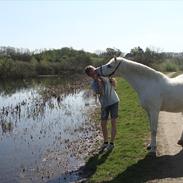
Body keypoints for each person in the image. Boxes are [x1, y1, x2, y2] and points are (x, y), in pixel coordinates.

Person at [85, 65, 120, 152]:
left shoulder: (105, 75)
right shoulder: (93, 84)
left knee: (113, 122)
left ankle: (111, 143)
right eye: (93, 72)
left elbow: (114, 85)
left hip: (114, 102)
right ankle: (105, 142)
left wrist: (111, 81)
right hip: (104, 104)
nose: (95, 72)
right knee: (103, 124)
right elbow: (102, 93)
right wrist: (99, 83)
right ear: (90, 75)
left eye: (95, 70)